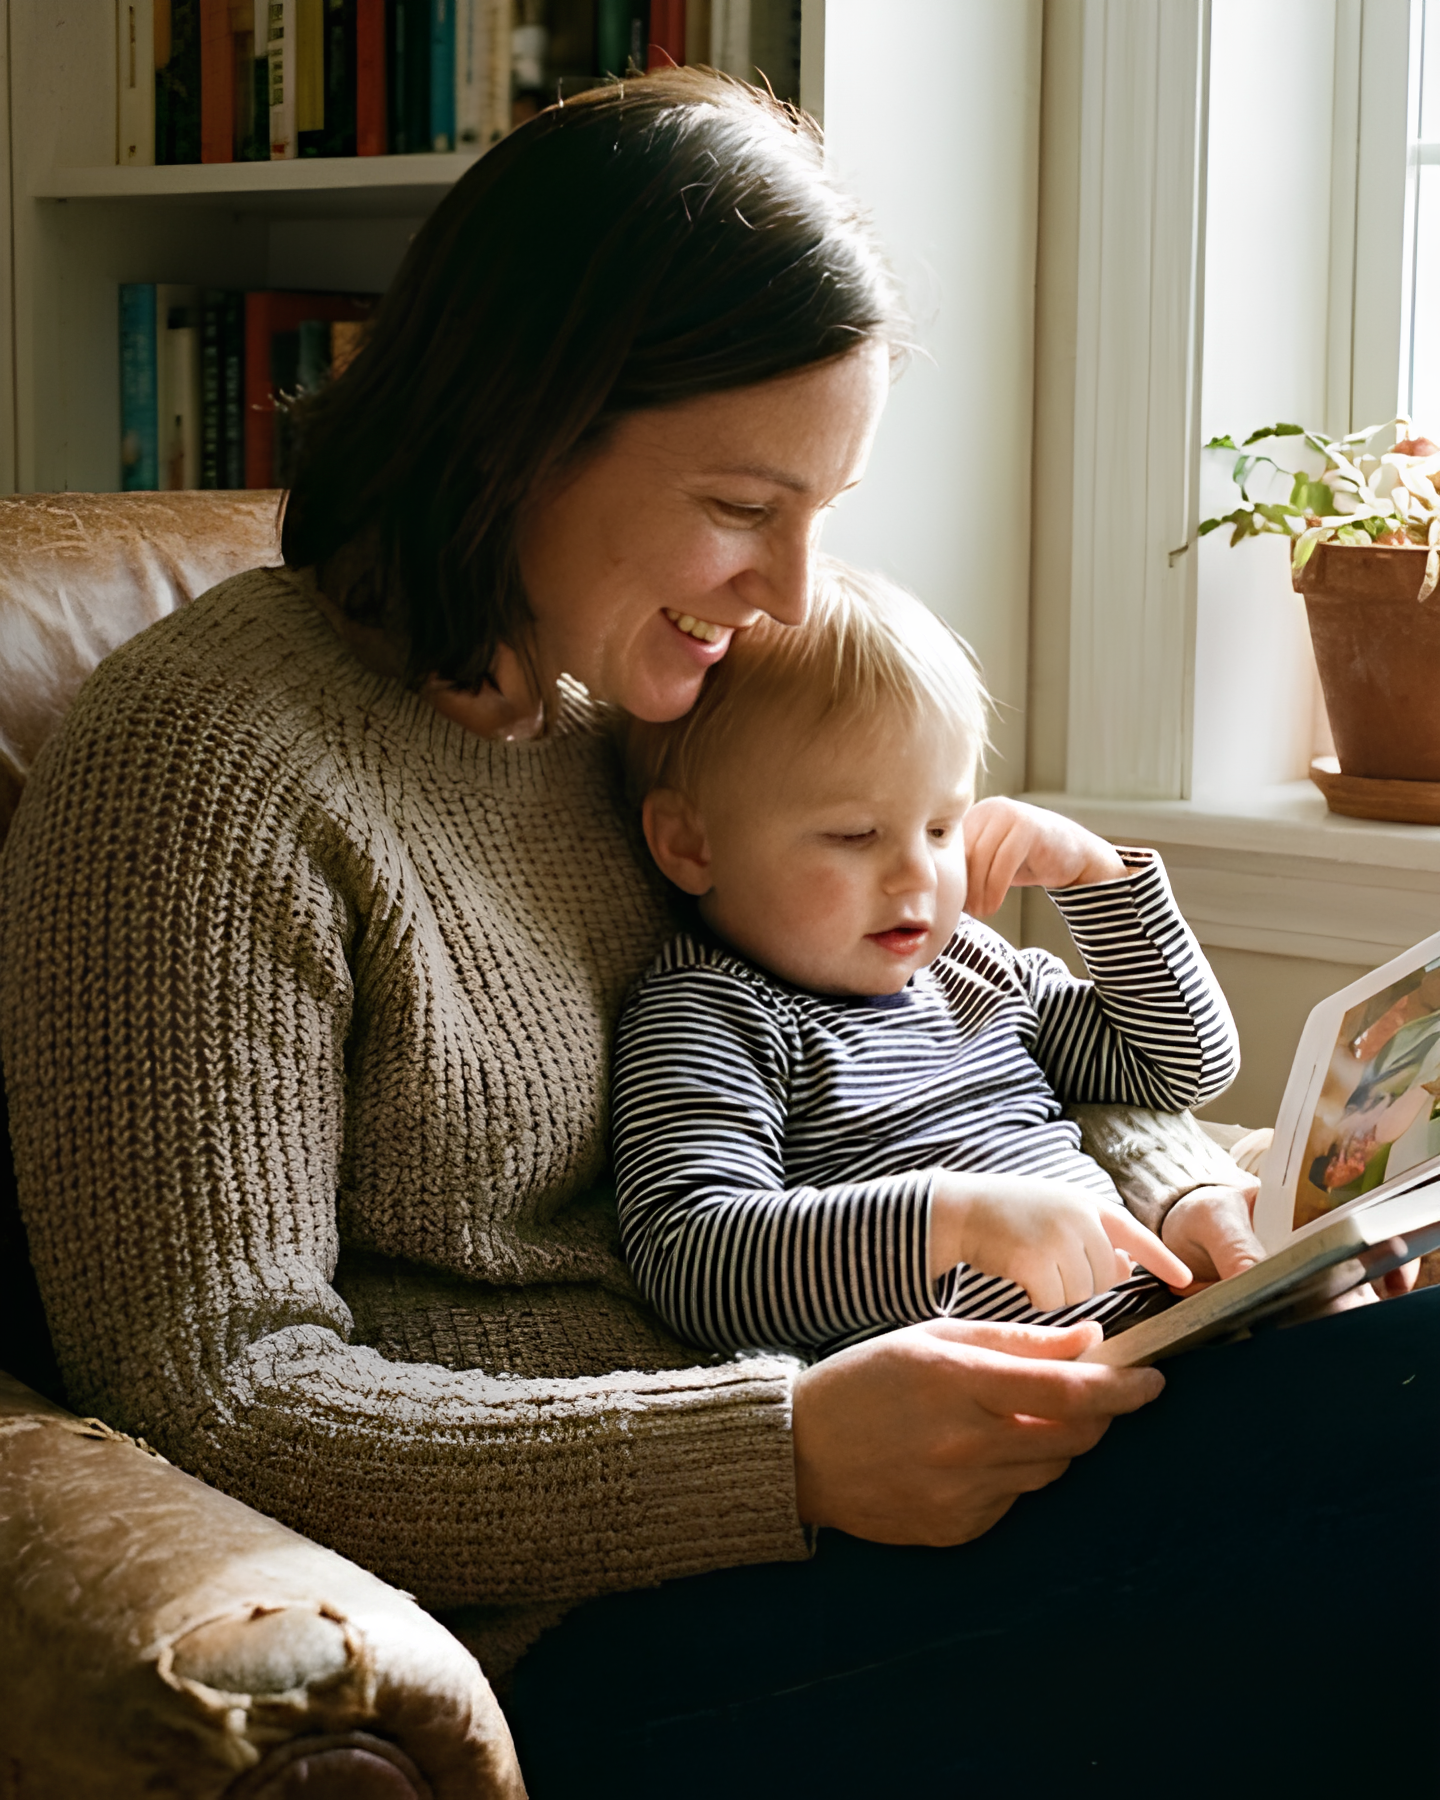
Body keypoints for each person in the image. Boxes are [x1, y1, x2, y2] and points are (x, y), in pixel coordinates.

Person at [0, 69, 1433, 1795]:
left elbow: (973, 998)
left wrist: (1179, 1192)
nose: (795, 591)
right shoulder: (205, 763)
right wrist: (786, 1454)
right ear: (518, 422)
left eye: (823, 517)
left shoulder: (639, 722)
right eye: (748, 510)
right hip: (613, 1623)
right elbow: (215, 1391)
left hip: (885, 1481)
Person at [613, 561, 1235, 1358]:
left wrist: (1099, 881)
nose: (918, 875)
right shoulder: (710, 1014)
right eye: (854, 835)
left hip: (1163, 1335)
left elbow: (1178, 1067)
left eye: (943, 827)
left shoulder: (975, 969)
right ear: (691, 843)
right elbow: (692, 1260)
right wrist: (951, 1223)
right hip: (1028, 1417)